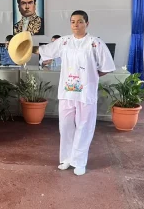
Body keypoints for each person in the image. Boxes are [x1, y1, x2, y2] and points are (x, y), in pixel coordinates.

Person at [33, 10, 115, 176]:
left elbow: (106, 67)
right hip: (67, 92)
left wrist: (92, 77)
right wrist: (23, 46)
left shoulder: (95, 43)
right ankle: (66, 159)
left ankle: (79, 161)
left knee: (84, 126)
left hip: (85, 93)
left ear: (87, 23)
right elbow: (44, 51)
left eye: (80, 21)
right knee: (65, 126)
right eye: (72, 21)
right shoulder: (64, 42)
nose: (76, 25)